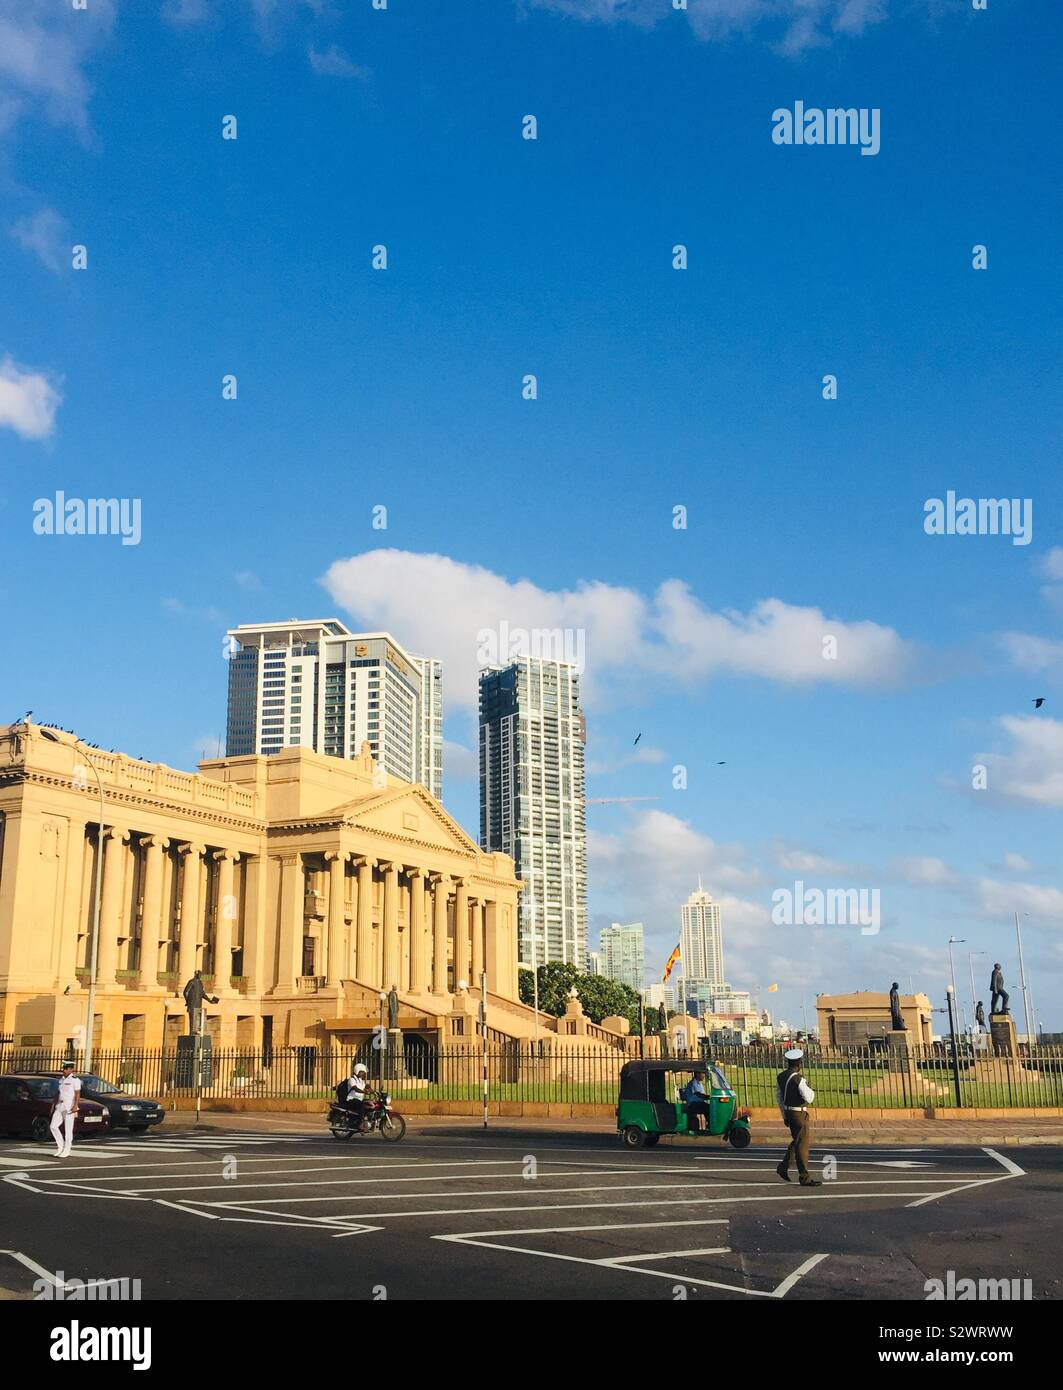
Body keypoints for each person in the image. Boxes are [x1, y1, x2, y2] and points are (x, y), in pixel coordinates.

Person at [775, 1048, 821, 1187]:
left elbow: (779, 1097)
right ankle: (804, 1177)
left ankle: (783, 1167)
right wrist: (810, 1088)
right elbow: (809, 1097)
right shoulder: (798, 1079)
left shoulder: (781, 1077)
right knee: (802, 1144)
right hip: (799, 1114)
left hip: (789, 1112)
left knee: (797, 1141)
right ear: (799, 1062)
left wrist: (784, 1115)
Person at [49, 1061, 81, 1158]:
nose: (64, 1070)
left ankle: (67, 1150)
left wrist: (75, 1105)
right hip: (60, 1105)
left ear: (71, 1069)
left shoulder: (75, 1080)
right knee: (53, 1126)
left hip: (69, 1106)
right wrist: (53, 1105)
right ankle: (60, 1146)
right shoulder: (61, 1080)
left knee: (68, 1129)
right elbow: (58, 1093)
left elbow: (77, 1094)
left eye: (66, 1068)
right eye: (64, 1068)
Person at [340, 1062, 370, 1131]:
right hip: (351, 1100)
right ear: (357, 1071)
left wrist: (373, 1091)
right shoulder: (352, 1079)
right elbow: (355, 1088)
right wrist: (364, 1091)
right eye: (362, 1072)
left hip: (359, 1099)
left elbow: (366, 1087)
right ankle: (360, 1124)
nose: (364, 1074)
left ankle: (367, 1120)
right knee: (361, 1105)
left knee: (369, 1104)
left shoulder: (361, 1081)